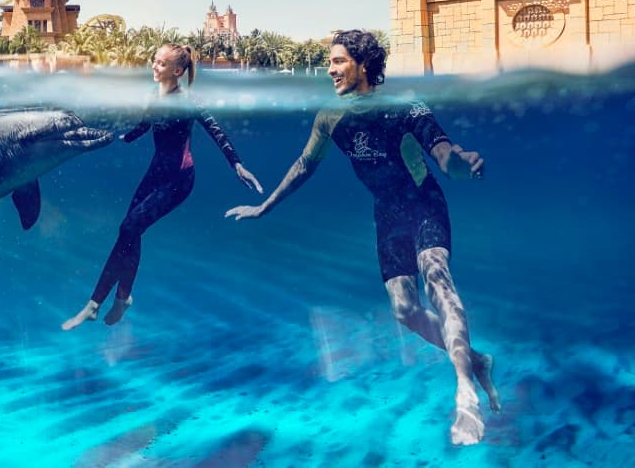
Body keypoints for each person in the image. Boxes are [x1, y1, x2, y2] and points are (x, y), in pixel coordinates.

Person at [225, 29, 500, 446]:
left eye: (338, 61)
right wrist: (266, 206)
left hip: (424, 203)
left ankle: (465, 390)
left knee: (435, 273)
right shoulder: (329, 117)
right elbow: (304, 165)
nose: (330, 70)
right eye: (329, 62)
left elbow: (443, 150)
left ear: (364, 63)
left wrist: (459, 165)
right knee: (404, 311)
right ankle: (476, 360)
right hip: (387, 213)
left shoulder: (404, 106)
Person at [62, 43, 262, 330]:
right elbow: (144, 126)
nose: (154, 67)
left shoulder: (188, 100)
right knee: (129, 231)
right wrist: (119, 137)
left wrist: (237, 164)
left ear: (177, 71)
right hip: (155, 173)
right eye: (153, 61)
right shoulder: (151, 96)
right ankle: (118, 300)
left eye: (161, 63)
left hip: (179, 179)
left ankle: (98, 303)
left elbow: (216, 131)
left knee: (129, 229)